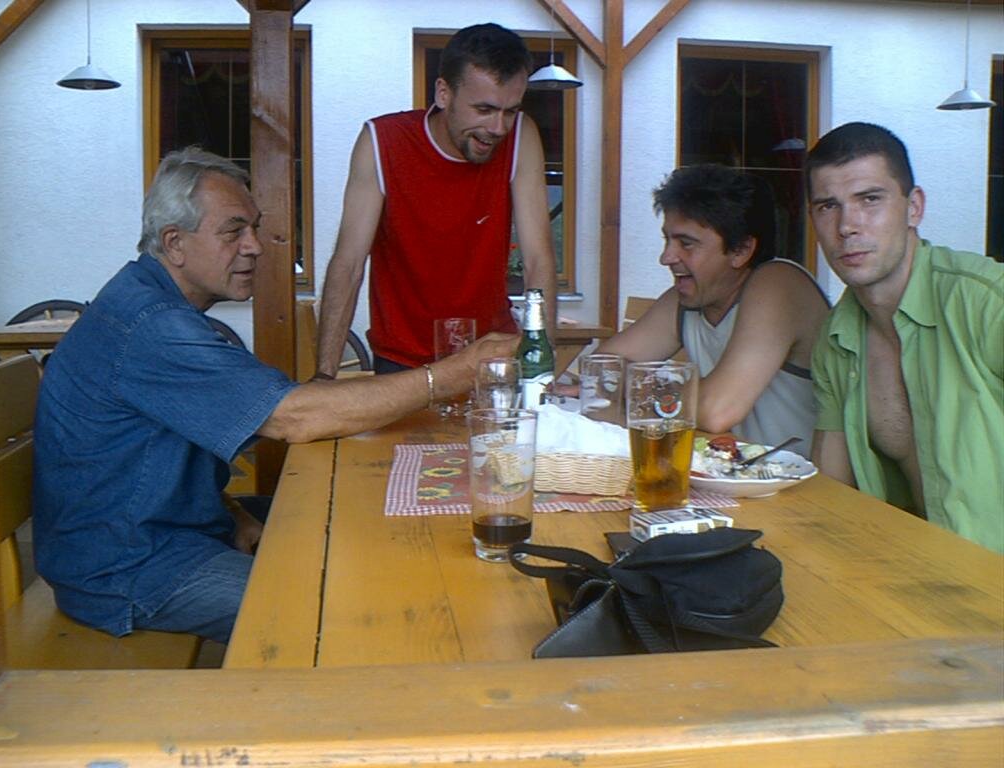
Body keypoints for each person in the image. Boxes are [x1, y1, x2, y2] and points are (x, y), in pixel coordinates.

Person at [32, 148, 517, 644]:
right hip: (128, 568)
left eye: (255, 228)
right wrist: (451, 375)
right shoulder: (152, 327)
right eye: (233, 231)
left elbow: (141, 462)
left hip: (164, 532)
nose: (255, 247)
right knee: (352, 604)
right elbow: (293, 417)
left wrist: (230, 513)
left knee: (361, 523)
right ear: (174, 243)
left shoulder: (150, 303)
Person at [315, 22, 557, 377]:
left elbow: (538, 259)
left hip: (490, 356)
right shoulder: (381, 141)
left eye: (510, 111)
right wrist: (324, 376)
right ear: (443, 93)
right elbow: (349, 264)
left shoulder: (522, 135)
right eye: (484, 109)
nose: (498, 128)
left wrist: (541, 367)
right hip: (402, 362)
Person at [806, 122, 1003, 553]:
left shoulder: (986, 302)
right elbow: (829, 492)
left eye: (870, 199)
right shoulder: (836, 339)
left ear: (914, 208)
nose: (847, 226)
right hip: (912, 570)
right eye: (828, 206)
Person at [596, 164, 830, 455]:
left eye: (686, 243)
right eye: (667, 239)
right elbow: (601, 367)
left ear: (741, 250)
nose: (666, 257)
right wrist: (656, 391)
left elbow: (715, 410)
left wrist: (637, 390)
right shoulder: (687, 298)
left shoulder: (779, 284)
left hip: (807, 480)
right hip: (730, 474)